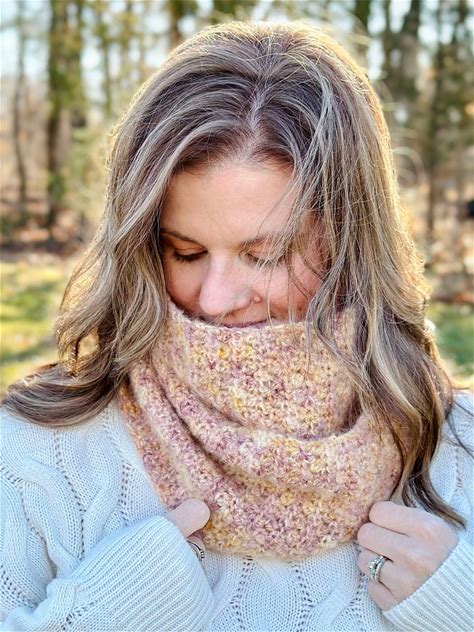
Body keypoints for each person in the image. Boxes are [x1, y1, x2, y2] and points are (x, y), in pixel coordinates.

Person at [1, 20, 473, 632]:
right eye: (185, 252)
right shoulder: (39, 453)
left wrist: (461, 606)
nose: (215, 298)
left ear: (349, 247)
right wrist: (99, 616)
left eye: (265, 256)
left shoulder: (459, 450)